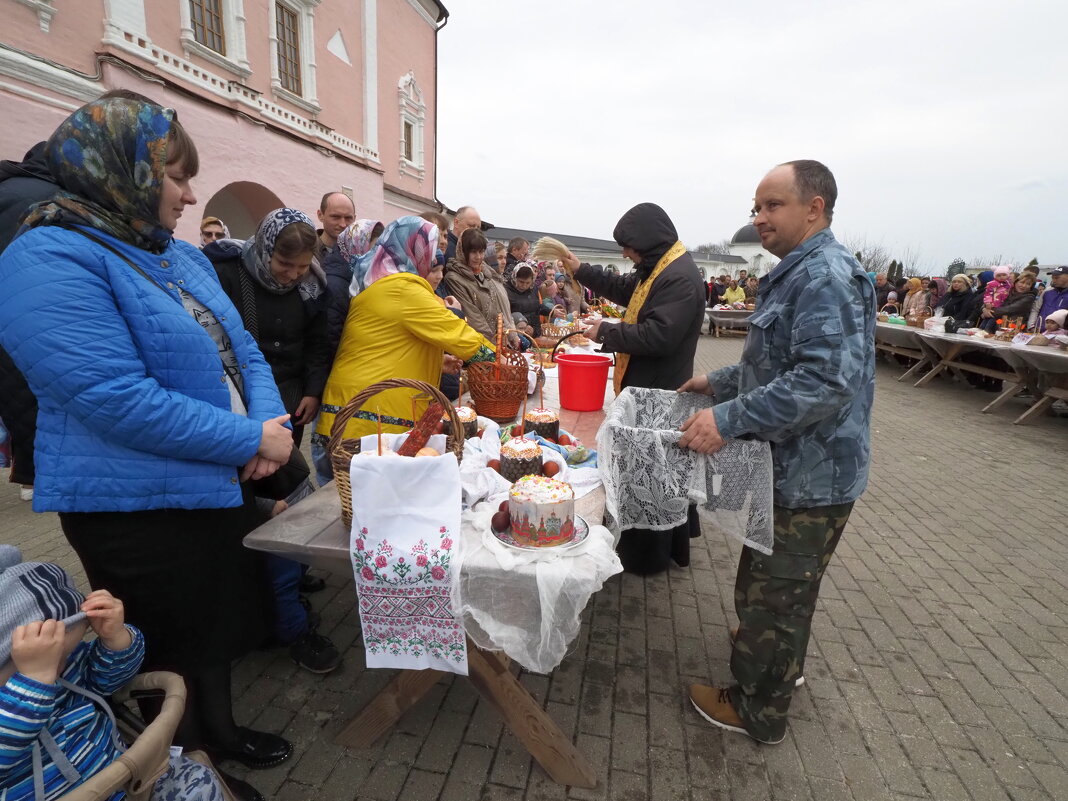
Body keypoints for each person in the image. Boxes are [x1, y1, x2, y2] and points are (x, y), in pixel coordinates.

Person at [0, 97, 291, 801]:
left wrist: (270, 428)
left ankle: (216, 734)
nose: (192, 196)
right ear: (121, 171)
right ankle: (177, 769)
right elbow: (113, 398)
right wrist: (247, 437)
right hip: (130, 499)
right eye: (177, 177)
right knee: (165, 636)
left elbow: (242, 348)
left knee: (217, 622)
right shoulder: (46, 254)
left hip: (213, 477)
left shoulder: (176, 253)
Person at [677, 159, 875, 745]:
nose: (759, 218)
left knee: (771, 593)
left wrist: (727, 419)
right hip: (797, 468)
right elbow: (778, 366)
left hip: (812, 475)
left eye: (772, 206)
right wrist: (720, 383)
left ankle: (758, 710)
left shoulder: (826, 277)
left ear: (814, 208)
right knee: (779, 589)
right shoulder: (798, 272)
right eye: (756, 208)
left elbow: (821, 382)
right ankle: (776, 667)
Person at [0, 545, 227, 800]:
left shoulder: (63, 669)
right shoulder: (37, 680)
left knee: (198, 781)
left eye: (63, 653)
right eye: (45, 657)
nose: (58, 665)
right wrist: (34, 683)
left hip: (126, 782)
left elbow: (109, 679)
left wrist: (116, 639)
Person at [561, 202, 705, 574]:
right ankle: (646, 545)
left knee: (655, 473)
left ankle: (648, 557)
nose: (625, 254)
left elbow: (660, 336)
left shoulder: (680, 278)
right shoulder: (659, 268)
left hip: (660, 391)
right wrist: (581, 270)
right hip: (649, 385)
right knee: (651, 471)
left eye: (629, 246)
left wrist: (606, 331)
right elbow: (625, 287)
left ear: (648, 242)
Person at [315, 217, 496, 450]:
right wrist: (497, 359)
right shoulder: (403, 287)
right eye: (428, 251)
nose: (430, 259)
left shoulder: (386, 283)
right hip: (368, 418)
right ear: (414, 250)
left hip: (357, 410)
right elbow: (454, 331)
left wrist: (437, 361)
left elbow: (386, 344)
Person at [322, 218, 384, 360]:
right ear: (356, 245)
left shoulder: (360, 278)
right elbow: (331, 341)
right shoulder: (336, 284)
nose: (378, 257)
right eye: (373, 249)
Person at [444, 227, 515, 343]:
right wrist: (492, 347)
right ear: (463, 251)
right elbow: (474, 319)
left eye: (481, 252)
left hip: (495, 344)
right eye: (473, 252)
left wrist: (509, 335)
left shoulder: (485, 274)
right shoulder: (455, 278)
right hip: (478, 344)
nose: (478, 257)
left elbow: (496, 310)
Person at [314, 191, 356, 263]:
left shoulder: (361, 254)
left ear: (354, 219)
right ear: (320, 215)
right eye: (336, 217)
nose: (343, 224)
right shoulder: (305, 250)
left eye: (348, 218)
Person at [506, 263, 542, 339]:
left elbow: (536, 308)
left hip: (533, 332)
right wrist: (522, 326)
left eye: (528, 283)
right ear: (515, 278)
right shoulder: (506, 291)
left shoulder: (533, 289)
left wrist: (535, 331)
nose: (524, 286)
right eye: (521, 282)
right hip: (516, 333)